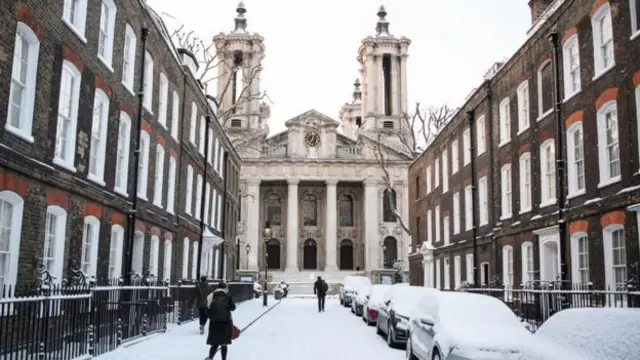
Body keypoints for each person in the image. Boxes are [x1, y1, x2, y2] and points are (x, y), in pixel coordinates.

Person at [205, 281, 236, 360]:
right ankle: (223, 358)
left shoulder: (211, 296)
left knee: (215, 342)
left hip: (214, 322)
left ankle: (211, 357)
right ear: (224, 288)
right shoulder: (227, 296)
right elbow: (233, 307)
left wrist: (211, 317)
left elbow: (207, 309)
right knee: (224, 343)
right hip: (225, 322)